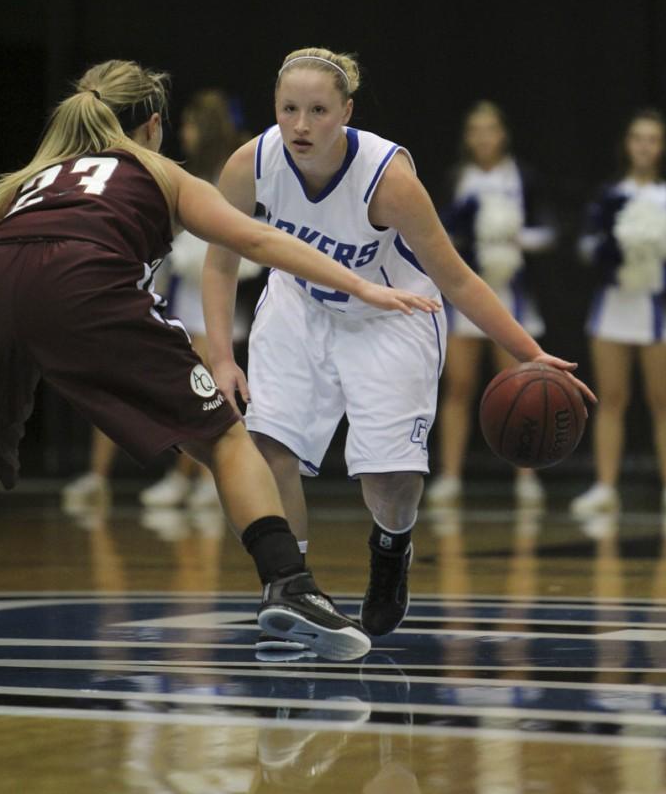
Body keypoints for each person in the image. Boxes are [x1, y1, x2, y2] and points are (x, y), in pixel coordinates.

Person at [0, 58, 443, 662]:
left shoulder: (30, 177)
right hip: (83, 283)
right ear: (152, 125)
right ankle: (290, 585)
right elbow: (257, 240)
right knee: (228, 441)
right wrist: (360, 285)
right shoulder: (159, 173)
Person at [202, 47, 594, 654]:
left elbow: (459, 279)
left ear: (346, 112)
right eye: (288, 109)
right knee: (269, 443)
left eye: (317, 110)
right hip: (300, 305)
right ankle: (291, 585)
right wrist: (223, 357)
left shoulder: (388, 180)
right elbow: (222, 259)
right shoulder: (251, 164)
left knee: (388, 478)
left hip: (392, 312)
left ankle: (391, 548)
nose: (301, 125)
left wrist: (527, 354)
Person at [61, 88, 263, 510]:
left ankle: (199, 478)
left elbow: (251, 252)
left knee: (202, 385)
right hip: (165, 299)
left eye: (189, 125)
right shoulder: (174, 178)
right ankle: (98, 477)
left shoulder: (228, 180)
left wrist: (192, 255)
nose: (181, 133)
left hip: (209, 305)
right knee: (123, 381)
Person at [427, 101, 557, 506]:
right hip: (465, 297)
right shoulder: (456, 178)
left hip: (510, 294)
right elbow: (437, 231)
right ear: (467, 137)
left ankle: (526, 477)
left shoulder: (523, 177)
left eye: (491, 129)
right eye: (475, 130)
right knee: (459, 386)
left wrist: (517, 238)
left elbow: (548, 231)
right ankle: (449, 476)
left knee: (523, 388)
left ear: (503, 134)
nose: (484, 138)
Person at [570, 108, 666, 516]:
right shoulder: (610, 196)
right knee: (611, 398)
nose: (643, 146)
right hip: (613, 308)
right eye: (637, 138)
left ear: (660, 147)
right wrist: (611, 246)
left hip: (656, 308)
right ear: (627, 145)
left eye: (652, 139)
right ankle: (605, 486)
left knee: (661, 400)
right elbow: (586, 247)